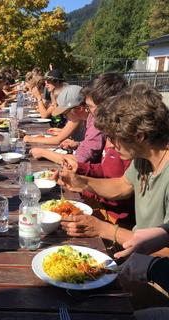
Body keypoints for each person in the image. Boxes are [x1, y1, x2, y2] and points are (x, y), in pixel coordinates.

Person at [59, 83, 169, 244]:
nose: (109, 144)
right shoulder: (143, 157)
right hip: (140, 256)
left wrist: (104, 229)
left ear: (139, 136)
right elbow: (122, 186)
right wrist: (82, 182)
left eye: (112, 137)